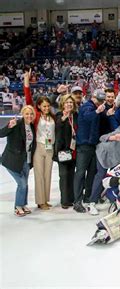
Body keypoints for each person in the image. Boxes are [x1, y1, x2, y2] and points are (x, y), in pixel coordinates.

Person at [24, 69, 56, 210]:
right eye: (44, 106)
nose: (47, 108)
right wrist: (26, 81)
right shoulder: (36, 115)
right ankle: (40, 201)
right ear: (39, 107)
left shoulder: (52, 116)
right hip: (39, 147)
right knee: (39, 175)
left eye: (48, 106)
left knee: (47, 175)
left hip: (50, 148)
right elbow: (28, 99)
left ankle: (46, 200)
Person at [73, 90, 107, 213]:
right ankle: (77, 201)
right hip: (84, 145)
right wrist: (97, 111)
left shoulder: (96, 108)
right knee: (81, 173)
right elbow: (87, 117)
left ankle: (88, 197)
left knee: (92, 172)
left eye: (102, 101)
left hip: (93, 145)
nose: (100, 103)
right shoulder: (87, 107)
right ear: (93, 98)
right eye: (99, 100)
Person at [0, 106, 36, 216]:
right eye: (27, 114)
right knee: (22, 184)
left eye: (31, 114)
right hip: (13, 160)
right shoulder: (16, 124)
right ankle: (17, 206)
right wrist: (9, 126)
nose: (29, 116)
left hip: (26, 160)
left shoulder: (31, 126)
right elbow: (1, 134)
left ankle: (23, 205)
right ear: (22, 114)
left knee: (25, 184)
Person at [54, 95, 78, 209]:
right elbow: (57, 126)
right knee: (63, 175)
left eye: (71, 102)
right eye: (67, 102)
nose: (69, 104)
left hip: (73, 150)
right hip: (62, 152)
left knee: (71, 175)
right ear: (63, 104)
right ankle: (64, 200)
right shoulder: (59, 115)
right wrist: (63, 118)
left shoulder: (75, 116)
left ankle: (71, 198)